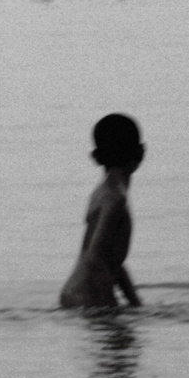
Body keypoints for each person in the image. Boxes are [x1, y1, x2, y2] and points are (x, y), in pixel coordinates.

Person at [60, 114, 145, 309]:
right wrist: (110, 305)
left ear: (96, 157)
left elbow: (112, 260)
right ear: (141, 152)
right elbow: (95, 257)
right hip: (87, 295)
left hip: (74, 291)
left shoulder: (101, 193)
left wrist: (135, 304)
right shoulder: (116, 199)